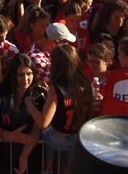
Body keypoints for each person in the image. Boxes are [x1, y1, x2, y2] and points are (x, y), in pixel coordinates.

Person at [25, 44, 91, 173]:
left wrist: (29, 104)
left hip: (58, 137)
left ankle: (48, 167)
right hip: (78, 138)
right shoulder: (85, 84)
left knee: (44, 131)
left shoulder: (56, 88)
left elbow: (44, 123)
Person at [0, 54, 44, 174]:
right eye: (20, 75)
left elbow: (37, 129)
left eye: (29, 74)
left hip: (30, 154)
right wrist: (11, 136)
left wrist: (24, 155)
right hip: (2, 154)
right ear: (13, 75)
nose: (25, 79)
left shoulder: (39, 95)